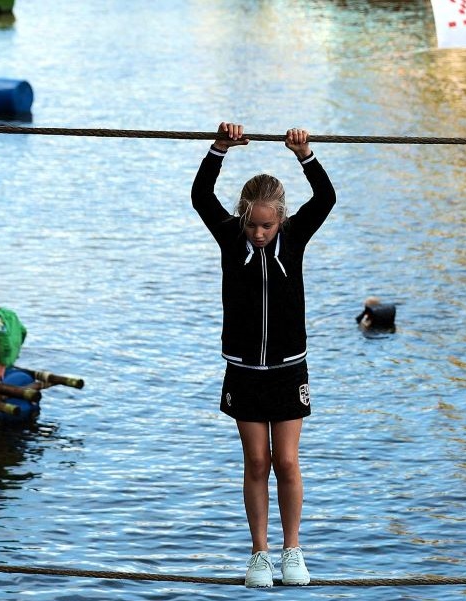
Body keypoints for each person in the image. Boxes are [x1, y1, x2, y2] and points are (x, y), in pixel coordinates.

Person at [191, 122, 335, 588]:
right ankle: (260, 555)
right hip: (244, 370)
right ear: (242, 218)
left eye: (267, 225)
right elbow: (200, 195)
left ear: (282, 220)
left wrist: (305, 155)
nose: (258, 233)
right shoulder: (231, 237)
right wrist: (219, 148)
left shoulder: (293, 238)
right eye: (252, 224)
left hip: (289, 367)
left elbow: (326, 198)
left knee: (287, 462)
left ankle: (293, 551)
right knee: (256, 462)